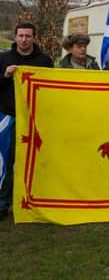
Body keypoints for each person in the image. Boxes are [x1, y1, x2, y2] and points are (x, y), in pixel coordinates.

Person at [0, 23, 53, 220]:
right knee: (6, 161)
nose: (24, 40)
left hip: (34, 118)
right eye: (21, 36)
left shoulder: (44, 60)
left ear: (34, 38)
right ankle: (3, 204)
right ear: (15, 37)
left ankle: (35, 202)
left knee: (36, 161)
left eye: (28, 36)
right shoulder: (3, 58)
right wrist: (6, 76)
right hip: (8, 117)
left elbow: (52, 88)